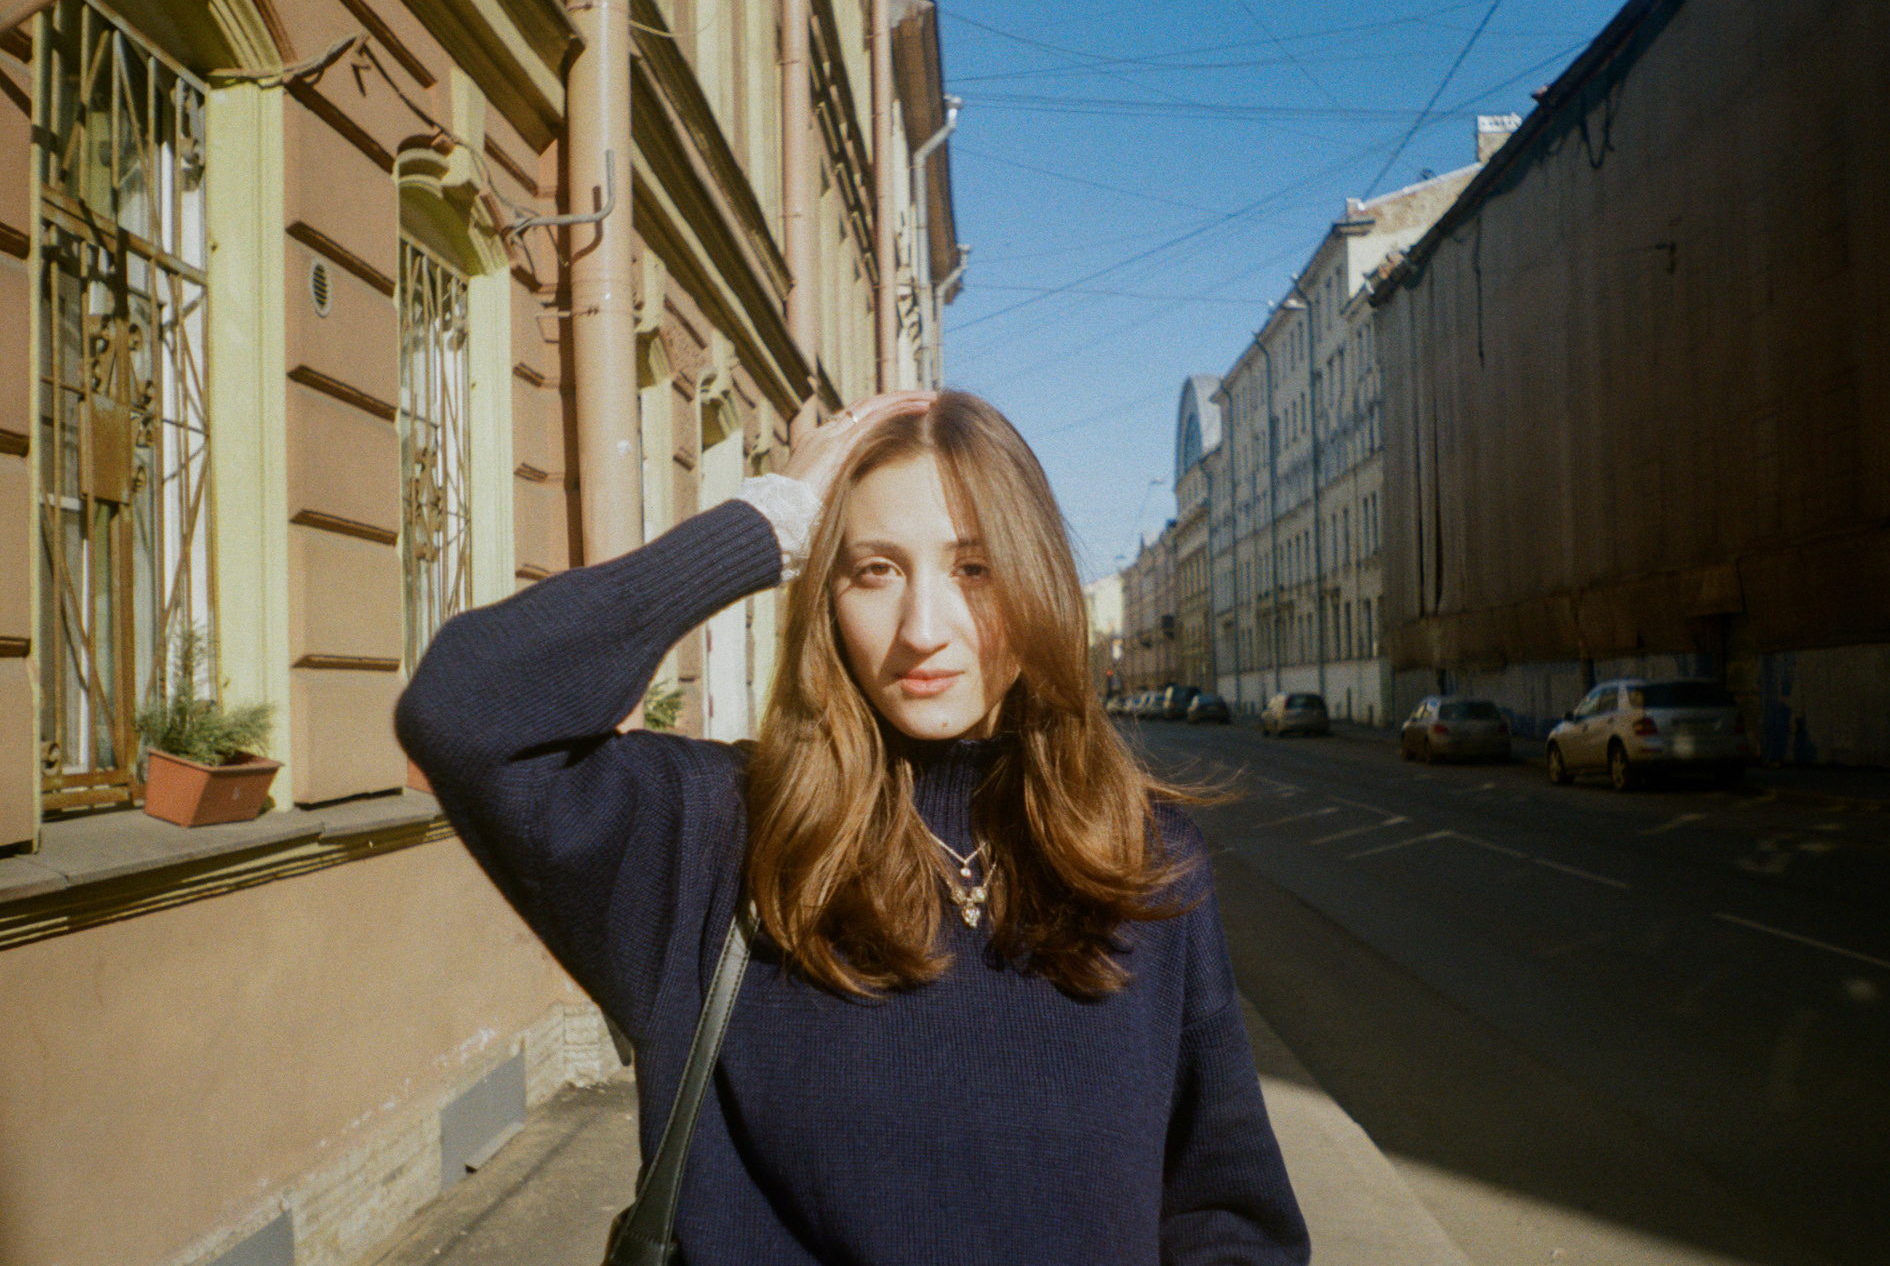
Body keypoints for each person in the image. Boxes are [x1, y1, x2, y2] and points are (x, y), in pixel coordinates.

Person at [395, 390, 1311, 1264]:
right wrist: (765, 522)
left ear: (1037, 585)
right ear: (826, 597)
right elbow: (465, 710)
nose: (922, 628)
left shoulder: (1142, 856)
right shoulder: (715, 839)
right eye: (875, 570)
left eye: (974, 568)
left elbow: (1226, 1213)